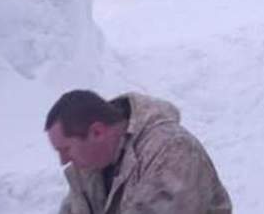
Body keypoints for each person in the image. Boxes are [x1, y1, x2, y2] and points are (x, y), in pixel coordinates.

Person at [45, 90, 232, 214]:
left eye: (66, 149)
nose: (63, 161)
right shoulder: (89, 167)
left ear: (97, 132)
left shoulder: (173, 152)